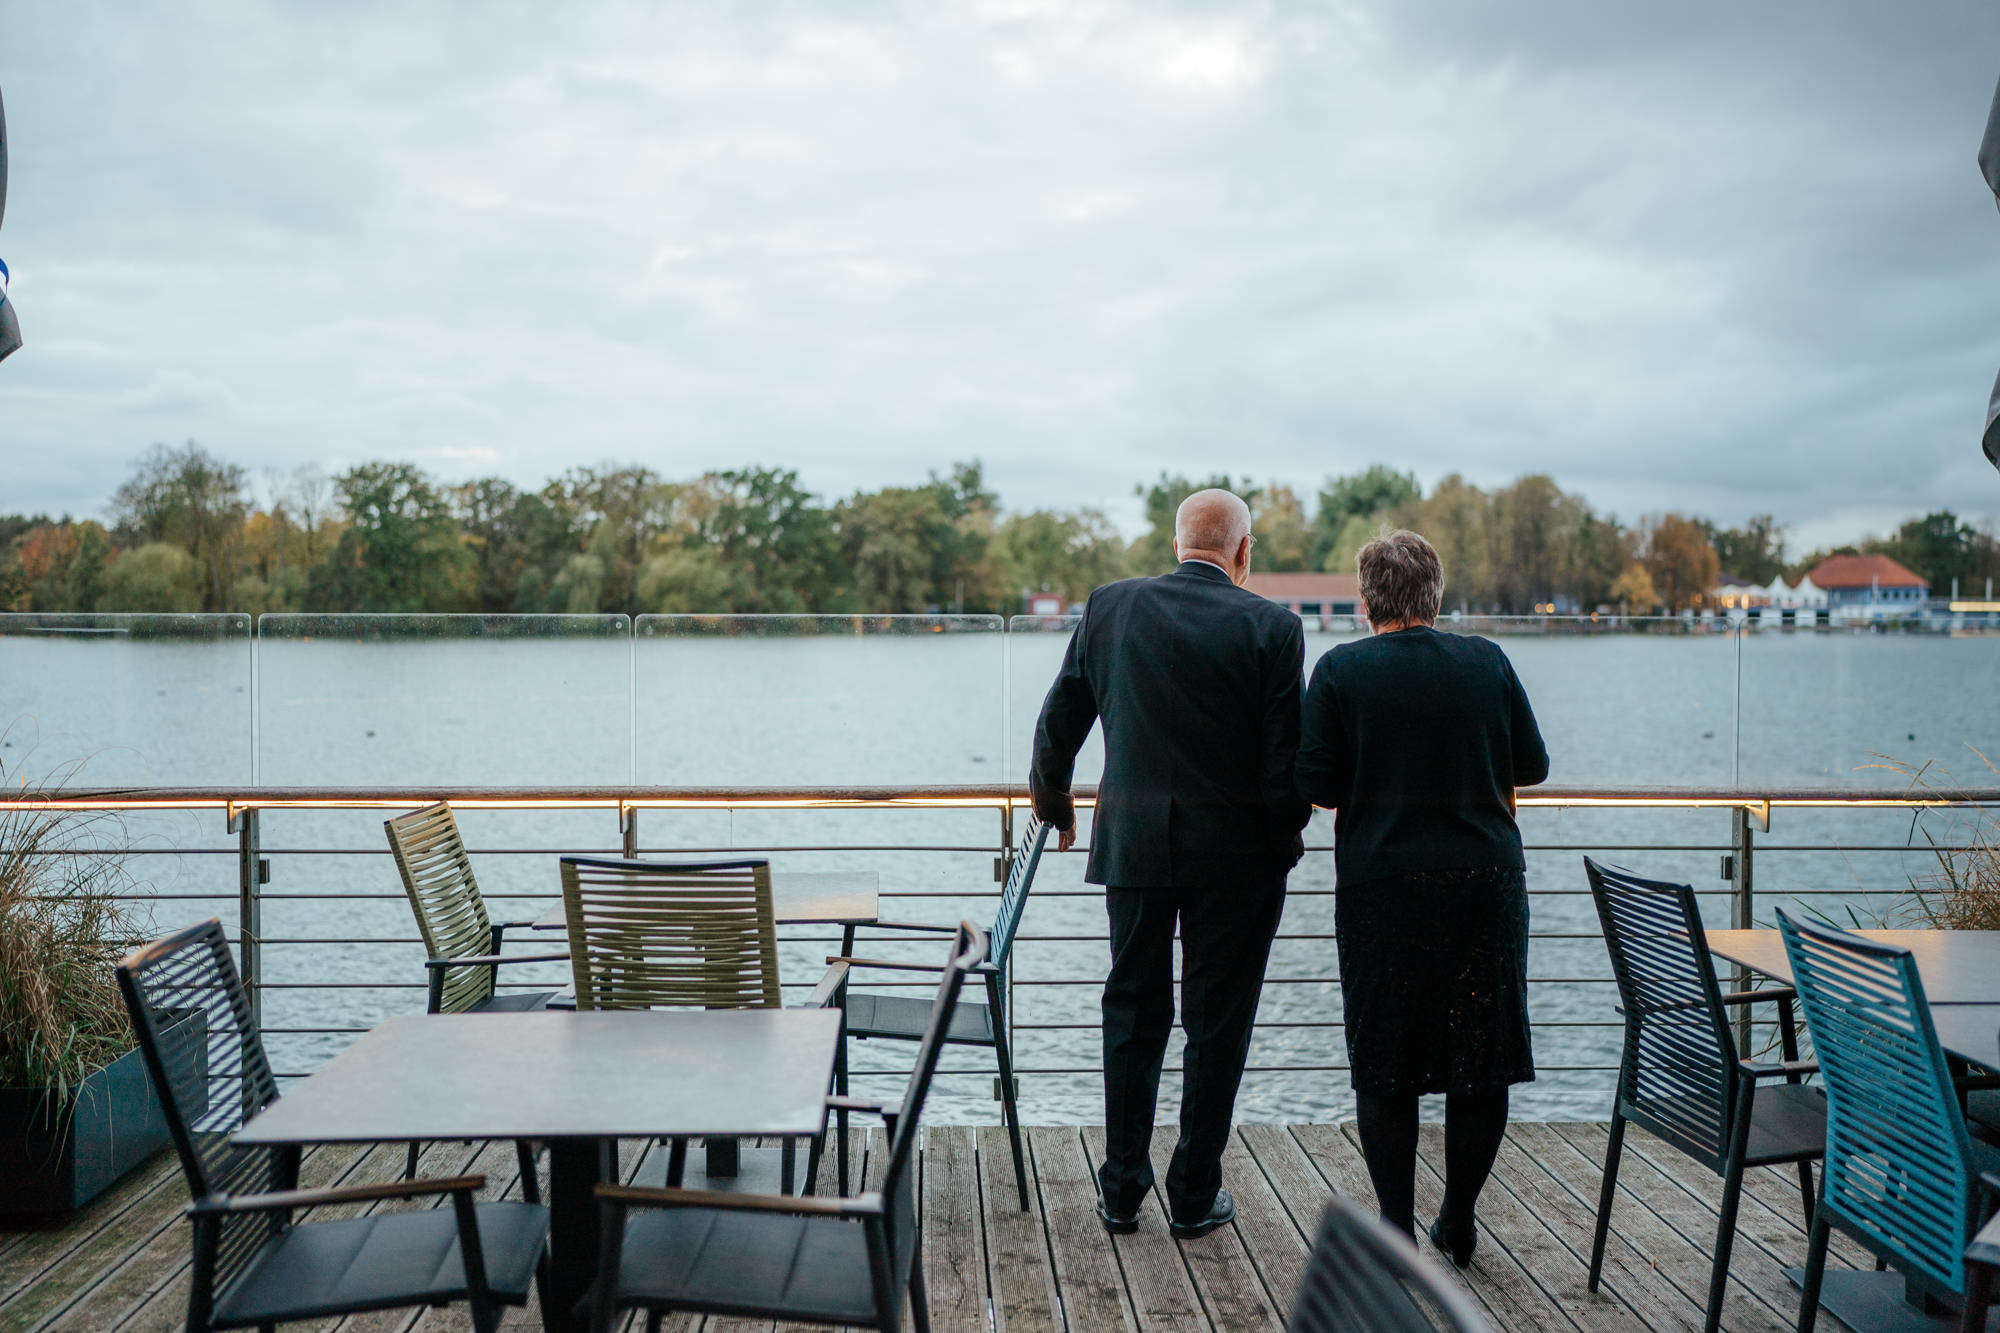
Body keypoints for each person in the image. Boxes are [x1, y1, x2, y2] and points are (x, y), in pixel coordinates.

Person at [1030, 488, 1310, 1240]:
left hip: (1135, 845)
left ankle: (1121, 1189)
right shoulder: (1275, 627)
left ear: (1177, 541)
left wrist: (1054, 800)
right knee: (1216, 1025)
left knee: (1132, 1012)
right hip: (1240, 862)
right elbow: (1288, 769)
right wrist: (1286, 836)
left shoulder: (1111, 606)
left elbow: (1059, 720)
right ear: (1243, 552)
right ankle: (1193, 1192)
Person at [1294, 528, 1548, 1268]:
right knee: (1484, 1057)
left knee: (1386, 1061)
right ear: (1435, 594)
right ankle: (1459, 1219)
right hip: (1486, 882)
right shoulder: (1487, 660)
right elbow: (1530, 763)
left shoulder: (1341, 671)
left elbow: (1314, 784)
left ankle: (1396, 1227)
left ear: (1367, 599)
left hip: (1384, 886)